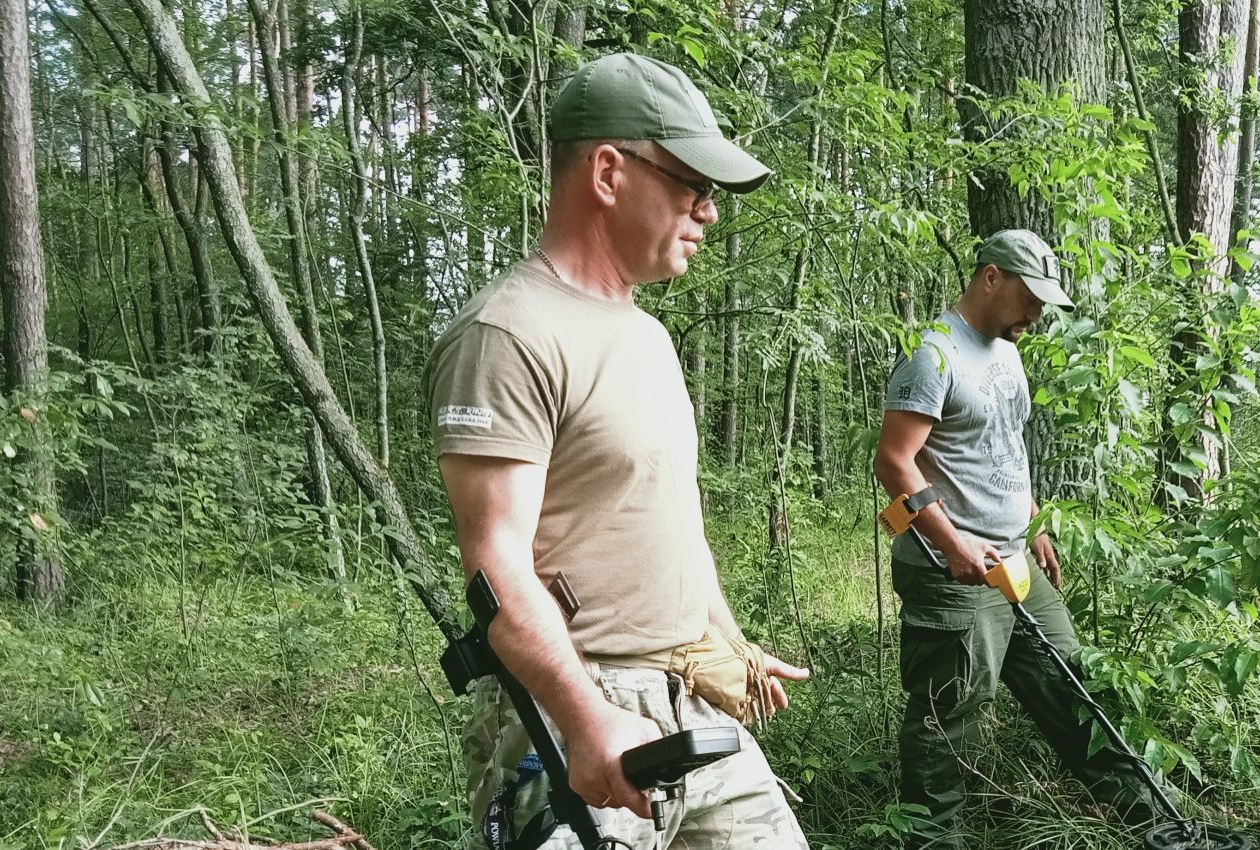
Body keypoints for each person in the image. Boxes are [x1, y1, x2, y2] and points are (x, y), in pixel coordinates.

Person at [425, 52, 809, 850]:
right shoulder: (508, 334)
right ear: (608, 171)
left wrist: (728, 644)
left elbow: (670, 524)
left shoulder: (650, 337)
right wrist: (590, 718)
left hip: (690, 703)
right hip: (570, 711)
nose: (708, 211)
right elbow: (495, 567)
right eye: (692, 186)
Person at [872, 229, 1164, 848]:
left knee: (1076, 687)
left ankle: (1156, 824)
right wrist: (953, 546)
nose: (1036, 313)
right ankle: (929, 840)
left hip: (1014, 561)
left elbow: (1003, 448)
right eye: (1030, 297)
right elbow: (895, 464)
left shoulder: (1007, 349)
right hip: (954, 571)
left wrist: (1034, 527)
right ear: (991, 278)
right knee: (947, 721)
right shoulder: (934, 353)